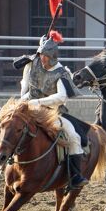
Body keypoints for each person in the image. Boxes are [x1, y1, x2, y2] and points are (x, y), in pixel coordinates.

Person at [19, 31, 89, 191]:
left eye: (45, 56)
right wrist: (23, 98)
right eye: (40, 55)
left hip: (52, 113)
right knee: (11, 124)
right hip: (28, 107)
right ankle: (5, 158)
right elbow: (24, 82)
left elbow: (61, 97)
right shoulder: (32, 63)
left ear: (53, 56)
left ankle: (75, 177)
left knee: (73, 136)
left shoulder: (61, 72)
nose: (42, 59)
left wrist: (38, 101)